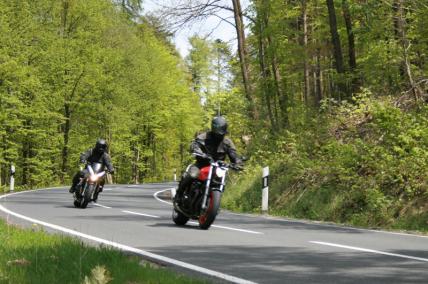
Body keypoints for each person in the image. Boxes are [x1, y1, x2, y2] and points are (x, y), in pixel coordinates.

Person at [176, 116, 243, 199]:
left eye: (221, 131)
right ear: (213, 128)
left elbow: (233, 154)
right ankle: (179, 194)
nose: (219, 134)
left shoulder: (227, 142)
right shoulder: (204, 137)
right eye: (217, 131)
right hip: (201, 164)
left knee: (220, 182)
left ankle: (213, 202)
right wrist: (198, 151)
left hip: (217, 167)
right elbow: (194, 144)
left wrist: (238, 162)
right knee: (191, 175)